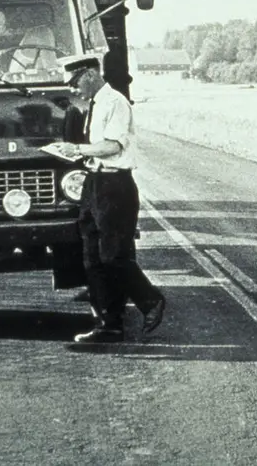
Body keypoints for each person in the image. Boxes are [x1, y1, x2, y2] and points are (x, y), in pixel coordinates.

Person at [58, 53, 166, 343]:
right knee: (93, 258)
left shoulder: (115, 102)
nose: (72, 88)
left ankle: (150, 300)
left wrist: (76, 149)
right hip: (95, 183)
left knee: (113, 255)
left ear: (90, 75)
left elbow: (112, 146)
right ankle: (108, 324)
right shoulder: (94, 105)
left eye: (74, 82)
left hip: (115, 185)